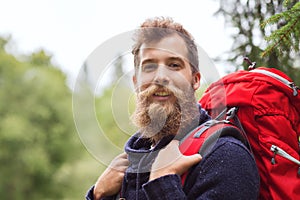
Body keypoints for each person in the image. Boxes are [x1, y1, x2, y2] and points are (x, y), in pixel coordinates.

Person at [86, 17, 259, 200]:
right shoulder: (128, 169)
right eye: (150, 66)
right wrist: (98, 195)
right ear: (136, 83)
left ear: (196, 80)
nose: (161, 77)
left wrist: (163, 182)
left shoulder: (226, 156)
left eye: (174, 65)